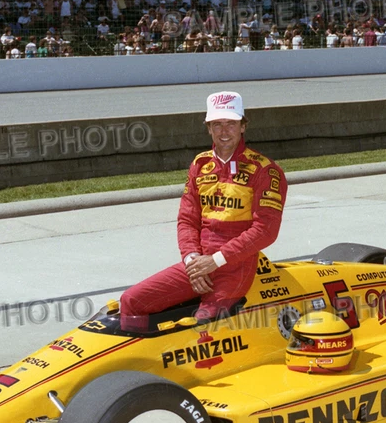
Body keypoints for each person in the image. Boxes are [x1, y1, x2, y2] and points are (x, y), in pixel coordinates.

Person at [119, 91, 287, 329]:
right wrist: (192, 260)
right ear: (208, 128)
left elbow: (266, 230)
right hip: (199, 264)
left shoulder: (265, 170)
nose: (224, 131)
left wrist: (216, 261)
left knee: (203, 325)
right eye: (217, 124)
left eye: (231, 123)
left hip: (235, 267)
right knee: (131, 301)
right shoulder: (200, 164)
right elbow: (187, 220)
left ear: (243, 126)